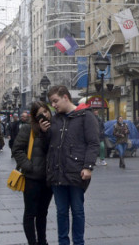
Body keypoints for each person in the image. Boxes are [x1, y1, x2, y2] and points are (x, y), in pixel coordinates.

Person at [40, 85, 100, 245]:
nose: (54, 105)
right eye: (52, 102)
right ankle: (63, 242)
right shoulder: (55, 119)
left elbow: (93, 143)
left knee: (77, 211)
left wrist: (88, 166)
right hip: (57, 173)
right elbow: (47, 146)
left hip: (76, 172)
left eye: (55, 101)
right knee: (61, 212)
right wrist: (43, 133)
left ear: (65, 97)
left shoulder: (85, 116)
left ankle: (79, 242)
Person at [12, 101, 53, 245]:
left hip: (48, 178)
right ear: (35, 116)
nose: (45, 114)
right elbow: (16, 149)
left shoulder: (53, 129)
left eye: (46, 111)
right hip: (32, 178)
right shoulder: (27, 129)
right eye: (41, 112)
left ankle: (42, 241)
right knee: (30, 213)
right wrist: (28, 166)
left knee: (43, 213)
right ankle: (32, 242)